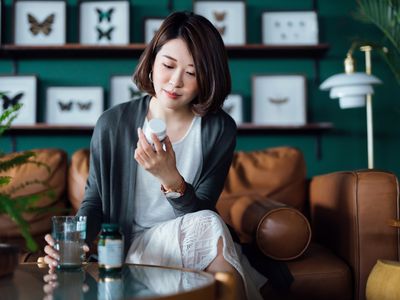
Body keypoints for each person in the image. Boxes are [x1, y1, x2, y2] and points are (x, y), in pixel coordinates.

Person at [43, 11, 266, 300]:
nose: (175, 82)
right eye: (168, 65)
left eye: (191, 72)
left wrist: (171, 179)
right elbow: (94, 200)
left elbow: (200, 211)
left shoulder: (218, 128)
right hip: (132, 247)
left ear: (207, 78)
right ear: (151, 63)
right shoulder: (113, 123)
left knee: (208, 223)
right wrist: (75, 242)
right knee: (211, 227)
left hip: (192, 237)